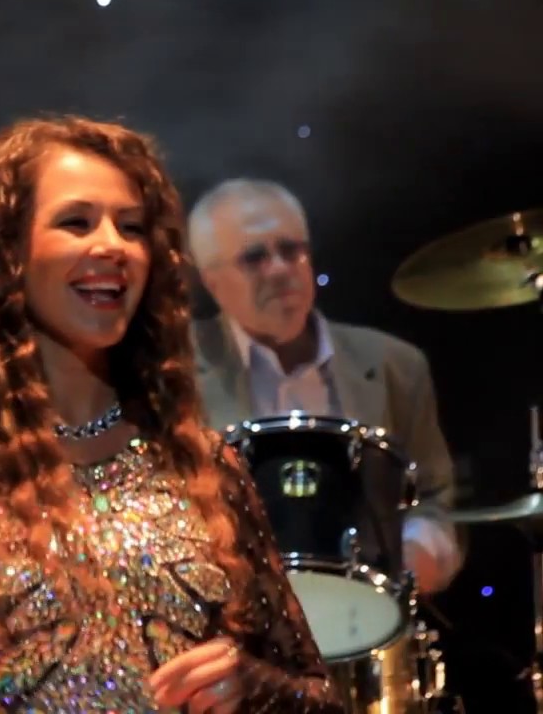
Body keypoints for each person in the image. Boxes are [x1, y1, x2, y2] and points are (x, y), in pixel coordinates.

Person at [0, 115, 345, 713]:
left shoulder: (206, 466)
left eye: (132, 227)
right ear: (5, 252)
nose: (113, 246)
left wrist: (251, 686)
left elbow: (322, 699)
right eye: (76, 222)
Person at [184, 178, 463, 595]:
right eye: (255, 257)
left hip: (365, 616)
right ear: (211, 281)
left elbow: (434, 497)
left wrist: (419, 548)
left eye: (292, 250)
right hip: (231, 615)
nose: (280, 269)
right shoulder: (175, 370)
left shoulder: (395, 365)